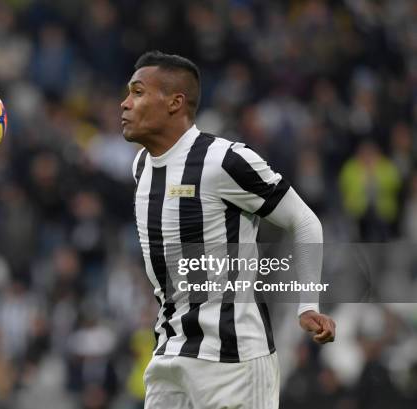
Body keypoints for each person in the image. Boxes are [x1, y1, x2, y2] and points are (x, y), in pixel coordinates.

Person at [121, 50, 336, 409]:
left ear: (175, 102)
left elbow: (304, 221)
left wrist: (307, 304)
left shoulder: (225, 160)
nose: (125, 104)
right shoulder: (141, 166)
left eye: (138, 92)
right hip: (170, 352)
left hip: (234, 361)